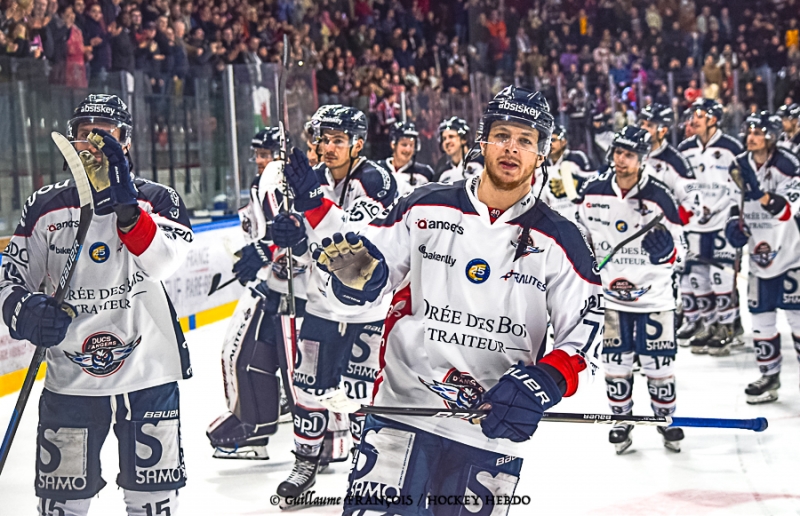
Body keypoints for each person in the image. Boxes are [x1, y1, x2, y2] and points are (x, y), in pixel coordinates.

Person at [287, 86, 604, 514]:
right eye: (502, 134)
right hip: (401, 411)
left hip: (489, 428)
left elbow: (584, 335)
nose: (512, 148)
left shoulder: (562, 238)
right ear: (483, 140)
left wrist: (545, 383)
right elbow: (357, 286)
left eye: (525, 140)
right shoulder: (425, 206)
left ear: (541, 154)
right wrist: (353, 282)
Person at [0, 94, 192, 515]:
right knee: (62, 505)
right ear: (71, 141)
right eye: (85, 133)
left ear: (126, 142)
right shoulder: (45, 204)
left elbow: (163, 264)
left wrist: (127, 210)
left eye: (106, 134)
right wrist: (25, 312)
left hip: (147, 376)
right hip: (71, 381)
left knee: (152, 503)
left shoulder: (158, 200)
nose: (94, 142)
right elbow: (10, 279)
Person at [273, 105, 398, 501]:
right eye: (322, 139)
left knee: (363, 393)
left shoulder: (375, 179)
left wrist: (312, 205)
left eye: (338, 140)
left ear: (357, 144)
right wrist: (291, 236)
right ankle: (306, 463)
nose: (327, 147)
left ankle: (367, 471)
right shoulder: (315, 180)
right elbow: (310, 242)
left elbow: (360, 244)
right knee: (307, 388)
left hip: (369, 312)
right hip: (321, 306)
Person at [576, 126, 687, 454]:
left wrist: (669, 250)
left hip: (654, 298)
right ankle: (621, 421)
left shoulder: (660, 195)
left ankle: (664, 420)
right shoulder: (593, 190)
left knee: (659, 367)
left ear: (643, 158)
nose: (621, 160)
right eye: (618, 153)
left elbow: (683, 247)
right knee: (615, 366)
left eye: (630, 154)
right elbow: (581, 237)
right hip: (611, 300)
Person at [205, 128, 302, 460]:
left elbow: (295, 232)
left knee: (246, 353)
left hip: (290, 285)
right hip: (272, 280)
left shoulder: (284, 182)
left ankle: (260, 425)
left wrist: (264, 253)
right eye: (258, 154)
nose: (261, 160)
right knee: (244, 354)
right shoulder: (263, 184)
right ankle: (259, 420)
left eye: (267, 153)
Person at [725, 112, 800, 402]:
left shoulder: (788, 164)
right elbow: (735, 203)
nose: (751, 136)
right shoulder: (739, 163)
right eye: (749, 131)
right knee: (761, 319)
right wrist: (733, 225)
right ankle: (769, 376)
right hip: (758, 254)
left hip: (792, 254)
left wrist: (760, 194)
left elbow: (785, 210)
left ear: (771, 135)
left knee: (797, 320)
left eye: (758, 132)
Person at [678, 99, 744, 354]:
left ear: (713, 119)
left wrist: (736, 218)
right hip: (695, 224)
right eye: (692, 115)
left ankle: (729, 327)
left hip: (722, 224)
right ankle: (710, 324)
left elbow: (741, 185)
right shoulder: (685, 149)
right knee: (698, 279)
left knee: (722, 279)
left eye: (699, 115)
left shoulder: (731, 147)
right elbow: (683, 184)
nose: (693, 120)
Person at [536, 124, 594, 224]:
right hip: (557, 222)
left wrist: (578, 182)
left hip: (580, 218)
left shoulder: (577, 157)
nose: (550, 145)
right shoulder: (540, 166)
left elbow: (595, 179)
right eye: (547, 141)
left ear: (564, 142)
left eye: (553, 140)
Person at [378, 121, 435, 196]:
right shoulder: (378, 170)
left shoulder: (425, 173)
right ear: (393, 144)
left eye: (411, 145)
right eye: (404, 144)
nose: (408, 149)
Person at [435, 116, 484, 182]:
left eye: (451, 136)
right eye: (444, 139)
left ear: (464, 139)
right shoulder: (442, 172)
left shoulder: (483, 160)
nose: (447, 142)